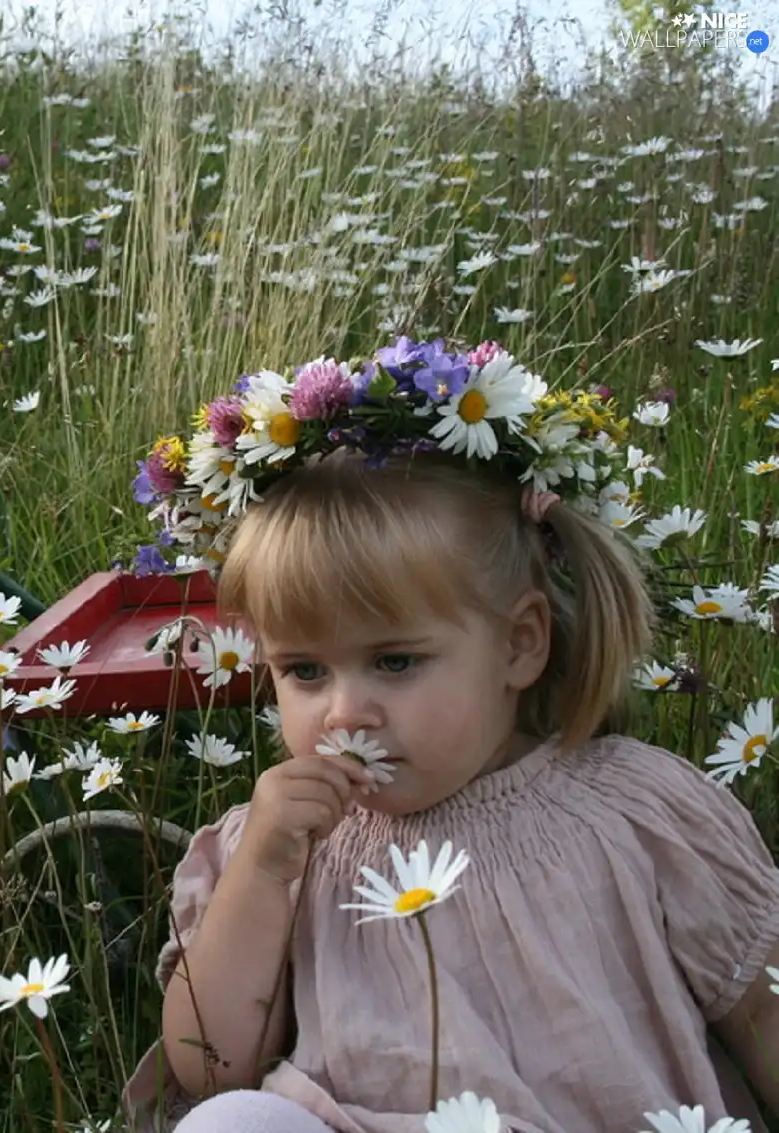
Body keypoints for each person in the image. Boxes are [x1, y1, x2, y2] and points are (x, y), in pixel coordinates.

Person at [121, 339, 779, 1132]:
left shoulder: (636, 808)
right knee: (228, 1123)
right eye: (304, 671)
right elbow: (210, 1063)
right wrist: (262, 869)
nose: (343, 711)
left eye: (395, 660)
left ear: (519, 644)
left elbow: (759, 1008)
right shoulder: (288, 848)